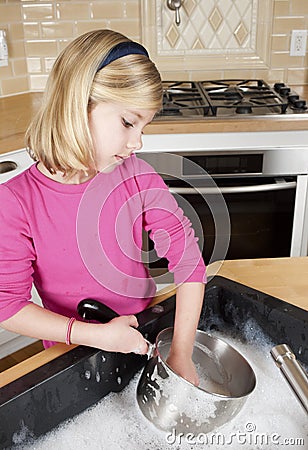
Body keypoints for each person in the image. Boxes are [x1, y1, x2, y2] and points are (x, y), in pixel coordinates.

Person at [0, 29, 206, 385]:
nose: (137, 141)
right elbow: (7, 305)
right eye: (128, 122)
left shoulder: (138, 177)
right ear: (77, 105)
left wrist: (181, 353)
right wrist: (97, 336)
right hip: (70, 346)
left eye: (143, 126)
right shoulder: (15, 202)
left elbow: (189, 264)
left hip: (143, 326)